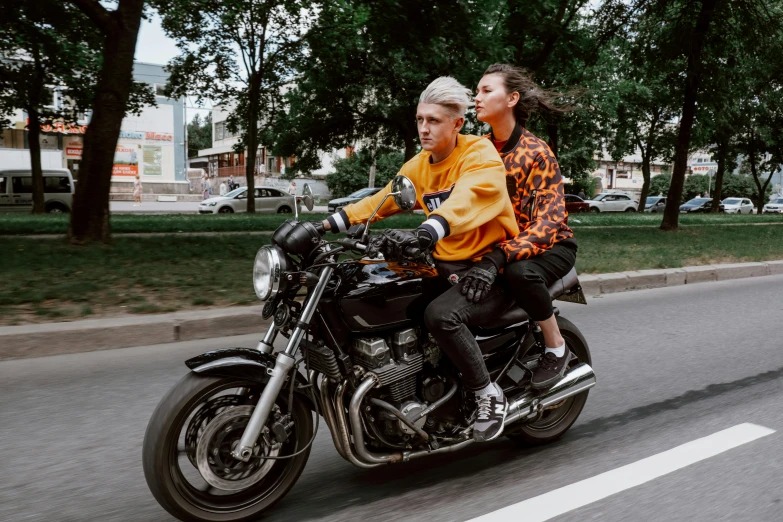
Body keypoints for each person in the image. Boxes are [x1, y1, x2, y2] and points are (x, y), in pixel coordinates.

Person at [321, 77, 519, 442]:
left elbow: (468, 198)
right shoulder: (419, 165)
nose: (424, 129)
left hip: (491, 267)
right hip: (446, 264)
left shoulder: (480, 154)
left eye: (434, 121)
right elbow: (381, 201)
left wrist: (428, 230)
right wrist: (324, 225)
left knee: (441, 316)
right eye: (419, 120)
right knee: (384, 293)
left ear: (457, 123)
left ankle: (487, 394)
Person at [473, 63, 578, 390]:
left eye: (486, 90)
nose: (476, 97)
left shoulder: (537, 153)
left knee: (520, 274)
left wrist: (501, 256)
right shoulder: (478, 150)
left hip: (551, 248)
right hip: (500, 250)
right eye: (476, 91)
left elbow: (548, 223)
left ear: (511, 99)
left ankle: (555, 346)